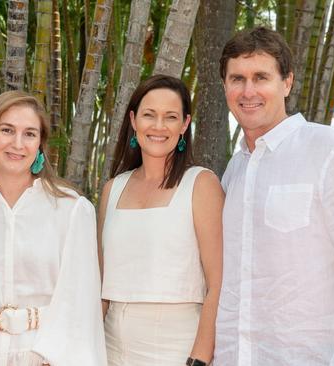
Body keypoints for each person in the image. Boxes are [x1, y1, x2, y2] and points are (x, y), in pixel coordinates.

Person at [215, 27, 334, 365]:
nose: (248, 90)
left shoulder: (329, 150)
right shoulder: (234, 172)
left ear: (287, 82)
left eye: (261, 77)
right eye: (237, 79)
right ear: (225, 87)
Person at [0, 90, 106, 366]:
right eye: (7, 130)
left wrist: (56, 357)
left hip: (45, 355)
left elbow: (81, 302)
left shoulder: (72, 209)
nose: (17, 143)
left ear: (40, 144)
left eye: (29, 134)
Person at [99, 74, 223, 366]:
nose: (158, 126)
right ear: (133, 119)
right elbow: (101, 283)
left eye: (170, 117)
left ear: (184, 124)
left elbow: (219, 283)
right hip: (109, 347)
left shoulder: (201, 184)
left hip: (176, 348)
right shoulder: (112, 189)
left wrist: (200, 358)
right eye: (149, 115)